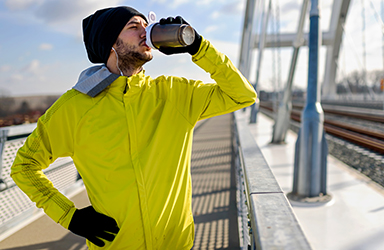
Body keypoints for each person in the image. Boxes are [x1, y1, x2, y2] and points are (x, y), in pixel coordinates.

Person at [10, 6, 256, 250]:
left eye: (145, 26)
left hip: (176, 243)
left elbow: (242, 96)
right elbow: (24, 166)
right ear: (110, 42)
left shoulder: (173, 93)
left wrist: (198, 46)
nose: (145, 32)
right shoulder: (74, 107)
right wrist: (70, 217)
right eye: (133, 26)